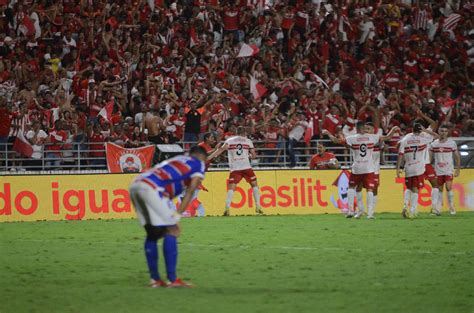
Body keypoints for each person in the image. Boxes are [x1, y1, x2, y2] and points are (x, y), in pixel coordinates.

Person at [128, 145, 207, 288]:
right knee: (173, 230)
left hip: (136, 184)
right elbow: (191, 190)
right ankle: (172, 280)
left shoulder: (178, 159)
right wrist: (178, 214)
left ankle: (155, 280)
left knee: (153, 233)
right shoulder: (199, 164)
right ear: (202, 157)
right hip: (153, 188)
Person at [324, 122, 399, 219]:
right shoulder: (373, 137)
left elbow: (336, 141)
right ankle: (370, 214)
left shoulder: (352, 138)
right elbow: (388, 138)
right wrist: (393, 130)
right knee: (370, 189)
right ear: (363, 128)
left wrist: (328, 133)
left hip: (357, 168)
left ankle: (351, 211)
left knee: (351, 187)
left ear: (356, 128)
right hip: (369, 168)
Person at [208, 126, 264, 216]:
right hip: (246, 167)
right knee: (254, 185)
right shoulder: (248, 141)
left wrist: (209, 157)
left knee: (231, 189)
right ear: (244, 132)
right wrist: (248, 155)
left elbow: (221, 150)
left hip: (235, 168)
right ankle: (258, 207)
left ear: (236, 132)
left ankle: (227, 208)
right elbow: (254, 156)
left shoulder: (230, 140)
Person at [397, 123, 439, 219]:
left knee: (409, 187)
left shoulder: (407, 137)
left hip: (410, 166)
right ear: (421, 129)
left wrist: (399, 167)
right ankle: (413, 210)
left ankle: (405, 206)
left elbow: (399, 146)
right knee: (417, 188)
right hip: (421, 165)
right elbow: (436, 135)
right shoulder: (424, 138)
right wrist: (425, 130)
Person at [429, 125, 461, 215]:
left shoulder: (452, 143)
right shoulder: (434, 144)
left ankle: (451, 206)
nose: (443, 133)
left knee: (448, 187)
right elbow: (430, 158)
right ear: (439, 132)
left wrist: (458, 169)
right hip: (438, 170)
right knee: (439, 189)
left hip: (448, 170)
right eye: (442, 131)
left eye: (445, 131)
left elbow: (457, 157)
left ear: (448, 133)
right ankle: (439, 208)